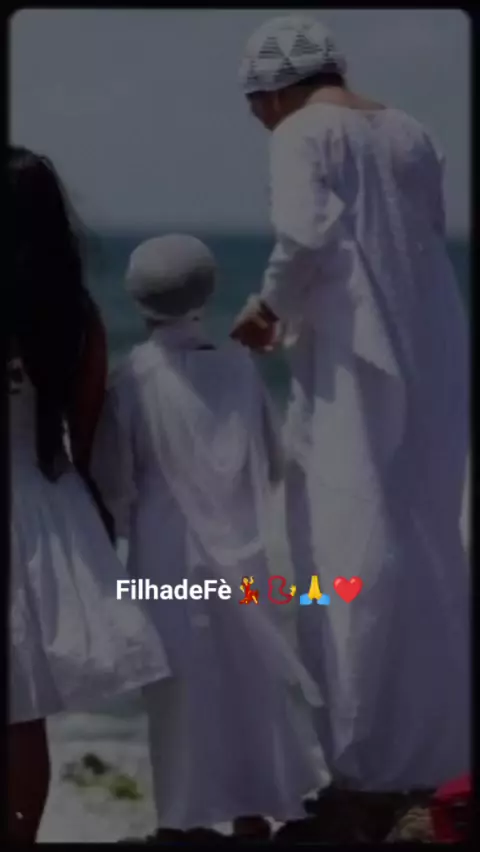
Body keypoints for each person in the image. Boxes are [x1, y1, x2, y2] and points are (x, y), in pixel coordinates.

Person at [232, 15, 470, 794]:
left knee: (343, 558)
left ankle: (362, 768)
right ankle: (437, 759)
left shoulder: (302, 133)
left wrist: (267, 311)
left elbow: (303, 238)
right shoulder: (412, 131)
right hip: (432, 354)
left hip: (353, 368)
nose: (257, 119)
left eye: (254, 104)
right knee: (428, 546)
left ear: (274, 91)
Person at [91, 234, 330, 838]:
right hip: (241, 556)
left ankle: (179, 820)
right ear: (209, 293)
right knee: (247, 683)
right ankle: (254, 813)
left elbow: (115, 483)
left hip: (164, 563)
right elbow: (272, 461)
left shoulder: (131, 380)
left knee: (179, 693)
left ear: (136, 299)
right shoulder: (239, 367)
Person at [8, 146, 171, 842]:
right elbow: (86, 435)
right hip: (43, 510)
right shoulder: (75, 319)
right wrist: (102, 522)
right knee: (23, 715)